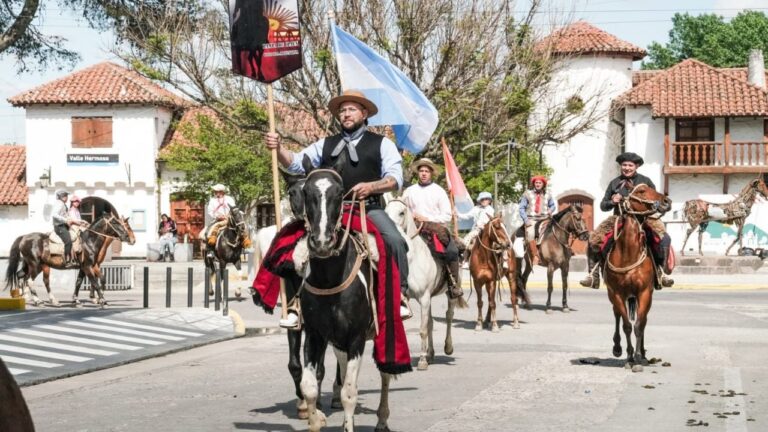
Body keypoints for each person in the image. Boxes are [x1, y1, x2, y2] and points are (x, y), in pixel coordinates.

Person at [265, 89, 410, 328]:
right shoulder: (325, 144)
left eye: (352, 109)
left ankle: (401, 296)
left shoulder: (382, 144)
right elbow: (296, 165)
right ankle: (295, 303)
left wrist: (372, 186)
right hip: (330, 212)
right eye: (342, 110)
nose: (346, 114)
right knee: (291, 244)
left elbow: (395, 178)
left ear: (364, 113)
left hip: (367, 209)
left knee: (394, 239)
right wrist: (279, 148)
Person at [579, 152, 674, 290]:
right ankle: (593, 276)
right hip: (619, 218)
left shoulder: (645, 182)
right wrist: (612, 201)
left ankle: (661, 272)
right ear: (620, 166)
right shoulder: (614, 183)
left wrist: (658, 206)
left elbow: (657, 201)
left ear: (636, 166)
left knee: (664, 238)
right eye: (624, 165)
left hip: (645, 218)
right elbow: (603, 206)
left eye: (630, 165)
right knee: (594, 239)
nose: (627, 168)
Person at [403, 158, 464, 299]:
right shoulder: (409, 191)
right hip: (413, 227)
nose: (424, 173)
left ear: (431, 173)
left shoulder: (439, 191)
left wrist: (427, 219)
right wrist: (412, 216)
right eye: (421, 171)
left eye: (427, 171)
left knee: (452, 251)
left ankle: (453, 285)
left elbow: (447, 216)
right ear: (418, 173)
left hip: (435, 228)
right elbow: (402, 208)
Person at [201, 184, 251, 258]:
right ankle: (210, 250)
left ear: (222, 192)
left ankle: (243, 246)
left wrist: (229, 215)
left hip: (229, 219)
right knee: (209, 230)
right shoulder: (212, 200)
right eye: (215, 191)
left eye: (218, 191)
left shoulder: (229, 199)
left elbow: (233, 209)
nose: (216, 193)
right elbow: (210, 211)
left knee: (242, 228)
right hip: (218, 220)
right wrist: (217, 216)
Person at [518, 175, 556, 263]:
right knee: (531, 233)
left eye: (540, 183)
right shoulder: (527, 194)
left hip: (545, 218)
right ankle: (535, 256)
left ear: (543, 184)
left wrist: (551, 210)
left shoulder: (548, 194)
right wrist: (526, 220)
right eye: (536, 183)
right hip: (532, 219)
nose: (538, 184)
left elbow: (553, 205)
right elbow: (521, 208)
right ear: (534, 184)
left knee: (555, 231)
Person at [51, 190, 87, 266]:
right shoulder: (59, 204)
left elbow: (67, 216)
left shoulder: (63, 204)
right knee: (68, 241)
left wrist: (81, 220)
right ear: (61, 197)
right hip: (59, 226)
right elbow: (54, 214)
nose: (66, 197)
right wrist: (65, 219)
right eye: (65, 196)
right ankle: (67, 261)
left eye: (66, 196)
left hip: (63, 225)